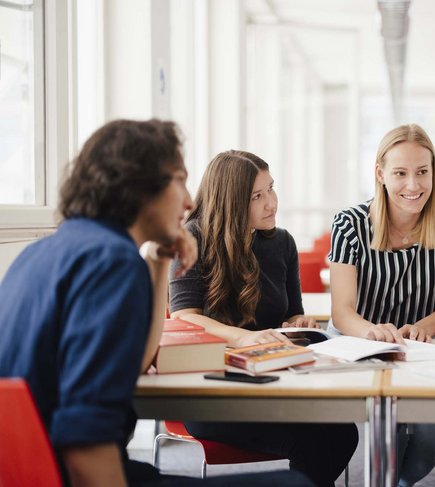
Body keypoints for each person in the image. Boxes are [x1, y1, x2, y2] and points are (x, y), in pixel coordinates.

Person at [0, 120, 310, 486]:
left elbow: (142, 360)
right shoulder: (112, 263)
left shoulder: (41, 252)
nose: (190, 201)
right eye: (179, 180)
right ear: (138, 189)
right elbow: (84, 439)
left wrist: (161, 261)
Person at [169, 150, 357, 487]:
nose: (271, 203)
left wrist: (298, 324)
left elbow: (292, 313)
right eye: (257, 196)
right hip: (214, 392)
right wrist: (242, 337)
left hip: (274, 384)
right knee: (311, 444)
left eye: (271, 188)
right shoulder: (193, 238)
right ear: (230, 201)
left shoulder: (281, 241)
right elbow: (185, 317)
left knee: (344, 433)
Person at [329, 123, 435, 486]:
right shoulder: (350, 224)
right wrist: (372, 332)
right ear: (380, 174)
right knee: (378, 438)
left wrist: (426, 326)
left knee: (425, 451)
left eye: (423, 172)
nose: (414, 185)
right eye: (401, 173)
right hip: (361, 342)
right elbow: (342, 312)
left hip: (422, 345)